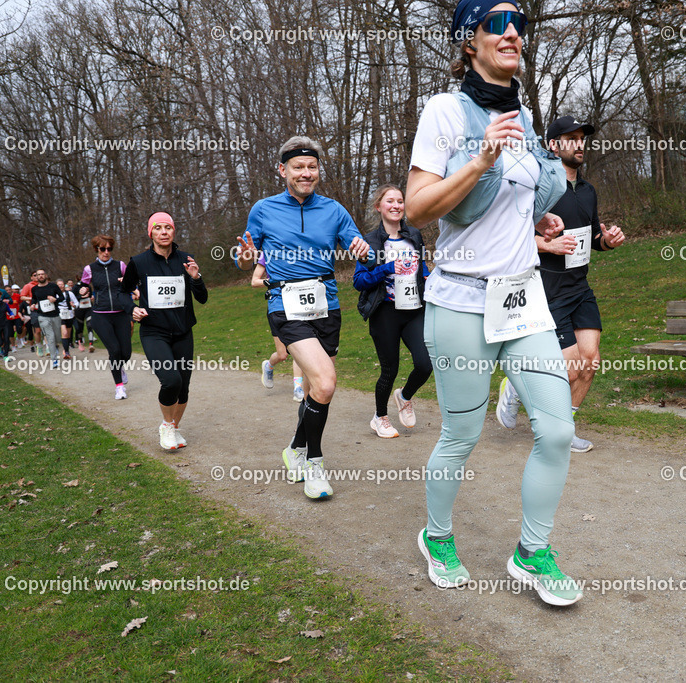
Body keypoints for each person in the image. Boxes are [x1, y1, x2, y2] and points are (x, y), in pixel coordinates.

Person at [405, 0, 582, 606]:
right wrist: (479, 159)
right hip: (460, 298)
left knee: (556, 431)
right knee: (462, 433)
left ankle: (532, 553)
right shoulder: (444, 112)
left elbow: (512, 203)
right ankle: (438, 536)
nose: (513, 33)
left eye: (520, 25)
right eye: (495, 24)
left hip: (523, 296)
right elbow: (419, 209)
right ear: (468, 40)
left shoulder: (527, 119)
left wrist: (539, 221)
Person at [235, 135, 369, 499]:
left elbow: (360, 247)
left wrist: (362, 249)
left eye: (311, 167)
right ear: (283, 170)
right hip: (285, 303)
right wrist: (246, 256)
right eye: (298, 167)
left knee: (314, 389)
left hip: (326, 305)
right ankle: (314, 464)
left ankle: (294, 448)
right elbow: (243, 257)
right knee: (325, 382)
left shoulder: (334, 209)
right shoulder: (263, 209)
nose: (306, 173)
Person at [496, 116, 626, 452]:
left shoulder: (588, 190)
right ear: (553, 145)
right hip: (546, 288)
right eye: (571, 138)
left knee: (591, 360)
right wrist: (547, 245)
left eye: (582, 138)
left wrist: (607, 240)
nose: (579, 144)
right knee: (569, 369)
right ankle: (515, 385)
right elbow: (511, 235)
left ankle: (564, 430)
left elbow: (592, 235)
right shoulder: (539, 188)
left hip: (580, 288)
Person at [118, 212, 208, 450]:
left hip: (182, 331)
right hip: (153, 331)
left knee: (184, 386)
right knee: (170, 380)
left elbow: (203, 298)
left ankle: (174, 428)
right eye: (158, 228)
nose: (164, 232)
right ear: (151, 233)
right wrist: (132, 310)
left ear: (173, 231)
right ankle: (166, 426)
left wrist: (195, 277)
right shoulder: (138, 262)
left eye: (168, 227)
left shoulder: (185, 259)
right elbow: (121, 292)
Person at [353, 184, 432, 438]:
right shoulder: (370, 241)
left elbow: (422, 269)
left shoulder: (414, 236)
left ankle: (404, 396)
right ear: (379, 207)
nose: (396, 205)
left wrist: (428, 278)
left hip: (414, 310)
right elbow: (359, 281)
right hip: (385, 312)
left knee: (425, 363)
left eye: (400, 201)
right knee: (390, 369)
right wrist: (387, 268)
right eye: (390, 201)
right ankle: (380, 417)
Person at [81, 235, 132, 399]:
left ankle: (119, 367)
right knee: (114, 350)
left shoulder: (120, 265)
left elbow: (132, 283)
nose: (106, 252)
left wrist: (127, 283)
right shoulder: (90, 269)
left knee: (126, 352)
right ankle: (119, 387)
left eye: (109, 249)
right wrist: (83, 291)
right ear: (97, 249)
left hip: (121, 314)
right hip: (100, 315)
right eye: (103, 249)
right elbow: (82, 286)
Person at [252, 254, 304, 401]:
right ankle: (269, 365)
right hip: (277, 307)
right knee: (282, 355)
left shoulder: (297, 251)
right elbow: (255, 281)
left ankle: (298, 388)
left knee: (299, 349)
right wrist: (276, 281)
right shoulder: (267, 254)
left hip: (298, 304)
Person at [30, 270, 63, 368]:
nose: (40, 276)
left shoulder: (53, 286)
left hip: (55, 315)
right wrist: (32, 304)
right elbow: (34, 298)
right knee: (50, 337)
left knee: (57, 337)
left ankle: (55, 347)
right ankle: (54, 360)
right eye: (38, 275)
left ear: (46, 275)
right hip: (42, 316)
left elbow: (62, 297)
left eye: (42, 274)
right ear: (36, 277)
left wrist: (55, 300)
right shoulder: (34, 289)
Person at [55, 279, 78, 359]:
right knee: (64, 333)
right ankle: (66, 353)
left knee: (67, 335)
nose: (60, 286)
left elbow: (76, 303)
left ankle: (66, 350)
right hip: (59, 315)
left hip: (69, 315)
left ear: (64, 285)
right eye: (58, 285)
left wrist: (74, 305)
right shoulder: (54, 294)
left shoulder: (69, 293)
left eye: (62, 284)